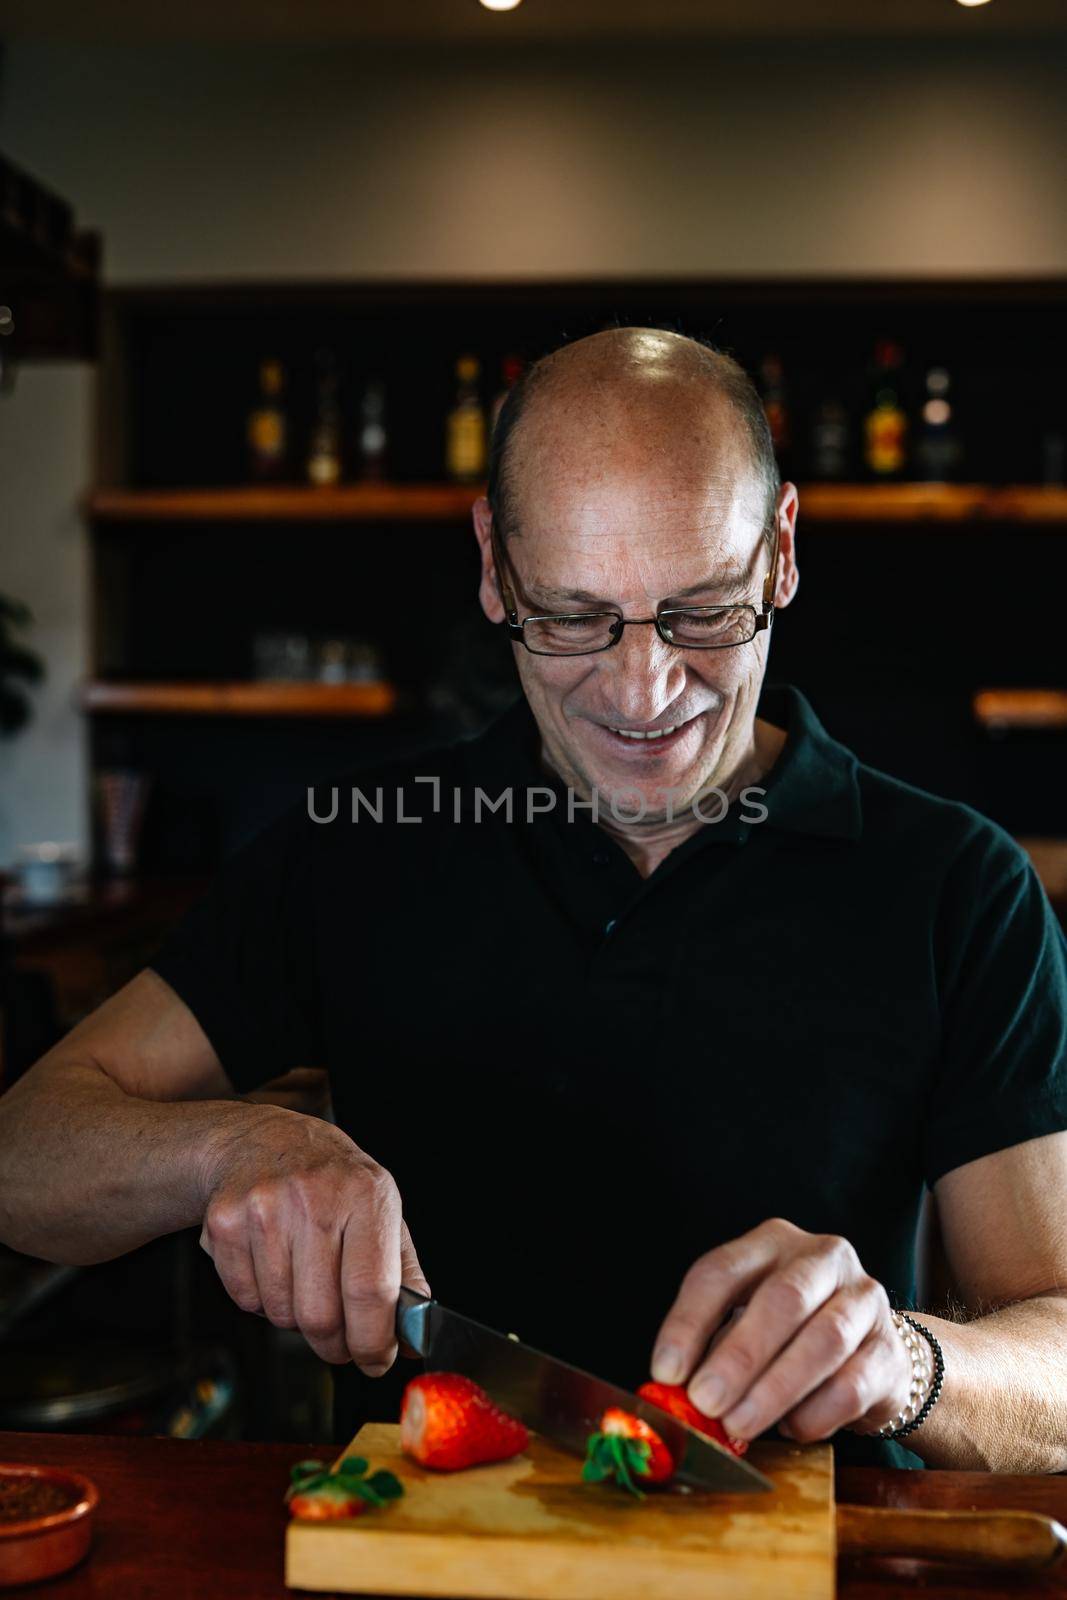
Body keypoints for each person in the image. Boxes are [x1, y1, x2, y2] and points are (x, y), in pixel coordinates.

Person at [2, 328, 1066, 1474]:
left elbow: (1053, 1354)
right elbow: (24, 1154)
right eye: (569, 617)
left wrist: (902, 1365)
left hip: (804, 1571)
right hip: (424, 1550)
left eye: (703, 610)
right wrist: (228, 1148)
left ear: (780, 555)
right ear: (492, 568)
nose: (642, 690)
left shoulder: (955, 885)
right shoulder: (359, 848)